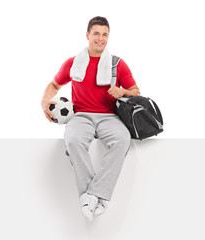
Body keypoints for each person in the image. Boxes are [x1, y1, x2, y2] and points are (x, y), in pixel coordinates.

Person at [41, 16, 140, 221]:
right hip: (81, 116)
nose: (100, 38)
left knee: (123, 139)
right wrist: (44, 101)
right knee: (74, 140)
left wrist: (121, 91)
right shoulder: (73, 63)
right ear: (88, 35)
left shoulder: (117, 64)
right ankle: (91, 197)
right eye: (96, 33)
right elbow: (54, 85)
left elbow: (136, 91)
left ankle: (94, 194)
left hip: (109, 117)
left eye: (105, 34)